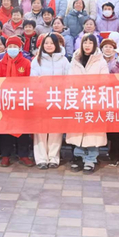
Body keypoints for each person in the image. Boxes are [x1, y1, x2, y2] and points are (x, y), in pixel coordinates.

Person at [67, 34, 110, 173]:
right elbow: (69, 79)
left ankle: (91, 159)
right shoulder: (75, 59)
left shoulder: (101, 61)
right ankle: (78, 157)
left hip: (94, 99)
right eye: (85, 42)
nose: (87, 45)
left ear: (95, 45)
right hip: (78, 99)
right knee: (78, 129)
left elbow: (105, 81)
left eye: (90, 43)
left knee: (92, 131)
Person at [30, 33, 70, 169]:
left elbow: (68, 80)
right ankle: (41, 158)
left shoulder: (64, 61)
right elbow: (33, 81)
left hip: (58, 99)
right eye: (46, 43)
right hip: (41, 100)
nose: (49, 45)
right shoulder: (37, 60)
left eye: (51, 43)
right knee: (40, 130)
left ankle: (54, 157)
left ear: (56, 45)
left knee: (56, 130)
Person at [0, 36, 34, 167]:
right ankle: (6, 155)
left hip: (21, 100)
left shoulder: (26, 63)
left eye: (15, 47)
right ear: (6, 48)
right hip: (5, 100)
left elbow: (30, 81)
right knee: (6, 129)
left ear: (20, 48)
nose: (12, 49)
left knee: (23, 129)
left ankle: (23, 155)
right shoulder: (1, 63)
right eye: (10, 47)